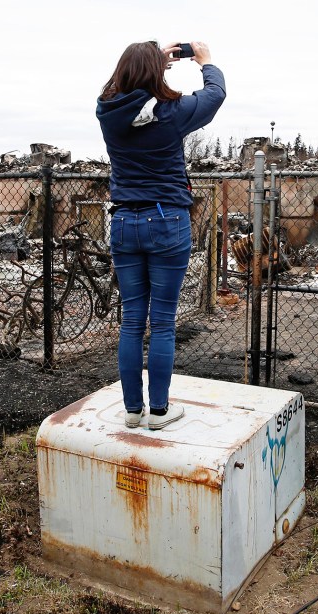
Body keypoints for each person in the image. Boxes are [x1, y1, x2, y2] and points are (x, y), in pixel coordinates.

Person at [97, 41, 225, 429]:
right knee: (164, 321)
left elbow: (112, 88)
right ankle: (160, 411)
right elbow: (215, 94)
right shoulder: (170, 112)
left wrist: (152, 61)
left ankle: (132, 411)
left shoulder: (106, 111)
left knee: (132, 320)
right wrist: (205, 61)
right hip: (166, 219)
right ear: (157, 72)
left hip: (123, 222)